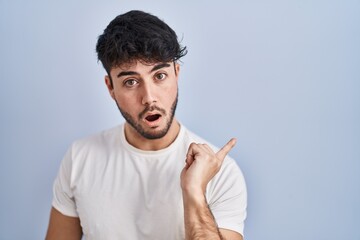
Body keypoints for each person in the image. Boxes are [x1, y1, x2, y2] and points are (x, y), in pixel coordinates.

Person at [45, 10, 247, 240]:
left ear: (176, 73)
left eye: (159, 76)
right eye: (131, 82)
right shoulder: (80, 157)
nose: (149, 97)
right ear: (110, 88)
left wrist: (194, 192)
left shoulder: (221, 173)